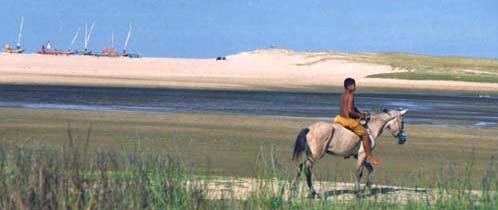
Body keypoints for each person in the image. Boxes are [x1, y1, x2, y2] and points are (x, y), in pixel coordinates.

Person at [334, 78, 380, 165]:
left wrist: (361, 112)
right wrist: (361, 116)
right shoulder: (351, 95)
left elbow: (352, 108)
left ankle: (348, 152)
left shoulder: (343, 95)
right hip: (347, 120)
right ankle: (369, 157)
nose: (355, 87)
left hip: (339, 118)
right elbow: (350, 111)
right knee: (365, 135)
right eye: (354, 85)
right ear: (349, 86)